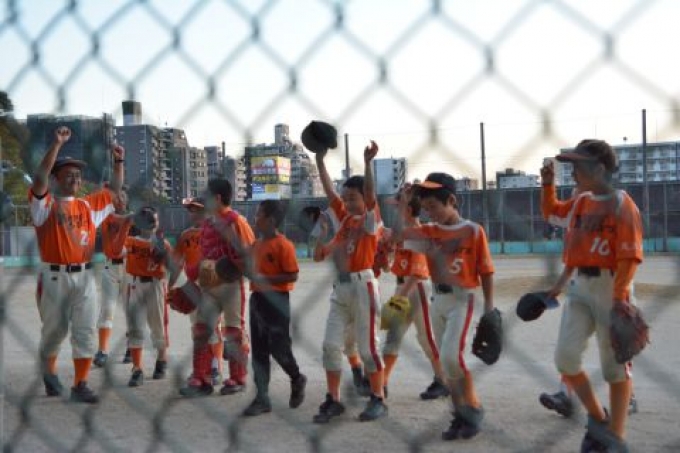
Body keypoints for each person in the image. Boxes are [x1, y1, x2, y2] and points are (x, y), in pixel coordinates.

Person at [540, 140, 643, 452]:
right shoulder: (581, 202)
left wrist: (619, 299)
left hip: (611, 288)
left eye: (578, 166)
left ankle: (616, 435)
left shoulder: (622, 204)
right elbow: (552, 214)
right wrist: (547, 185)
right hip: (580, 288)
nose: (572, 172)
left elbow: (629, 258)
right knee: (565, 357)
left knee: (614, 368)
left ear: (598, 169)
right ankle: (598, 419)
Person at [396, 172, 495, 441]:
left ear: (451, 200)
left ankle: (472, 407)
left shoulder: (473, 230)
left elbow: (486, 271)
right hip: (437, 300)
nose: (429, 213)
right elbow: (400, 234)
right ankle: (459, 413)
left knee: (452, 357)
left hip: (462, 299)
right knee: (447, 361)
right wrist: (405, 204)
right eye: (425, 208)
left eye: (433, 207)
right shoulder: (430, 231)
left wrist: (489, 307)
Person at [30, 126, 124, 403]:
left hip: (84, 277)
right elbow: (39, 178)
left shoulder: (86, 206)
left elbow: (114, 190)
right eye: (68, 173)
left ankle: (80, 384)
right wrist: (57, 144)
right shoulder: (44, 206)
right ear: (55, 178)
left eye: (78, 174)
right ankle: (50, 376)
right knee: (54, 332)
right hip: (54, 277)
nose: (75, 178)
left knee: (85, 332)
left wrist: (119, 161)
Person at [312, 140, 387, 423]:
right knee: (331, 345)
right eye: (346, 199)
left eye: (353, 198)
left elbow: (370, 195)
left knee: (368, 347)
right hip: (341, 288)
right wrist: (320, 161)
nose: (347, 203)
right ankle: (333, 399)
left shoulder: (370, 221)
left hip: (363, 285)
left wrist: (367, 164)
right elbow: (330, 192)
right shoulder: (345, 221)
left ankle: (378, 398)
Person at [179, 179, 255, 397]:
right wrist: (190, 278)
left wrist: (238, 265)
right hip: (208, 285)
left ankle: (238, 377)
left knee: (233, 330)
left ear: (218, 198)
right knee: (201, 330)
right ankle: (201, 378)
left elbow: (251, 254)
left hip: (231, 285)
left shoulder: (236, 221)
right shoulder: (208, 223)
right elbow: (204, 255)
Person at [241, 199, 307, 416]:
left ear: (270, 220)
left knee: (279, 348)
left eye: (259, 214)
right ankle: (262, 398)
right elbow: (249, 270)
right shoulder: (255, 245)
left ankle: (296, 377)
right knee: (259, 350)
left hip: (277, 300)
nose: (255, 218)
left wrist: (265, 279)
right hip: (257, 300)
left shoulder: (283, 245)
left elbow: (292, 274)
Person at [382, 189, 448, 400]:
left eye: (399, 207)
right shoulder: (403, 233)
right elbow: (393, 262)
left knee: (425, 337)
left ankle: (442, 380)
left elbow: (417, 272)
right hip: (402, 287)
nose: (396, 211)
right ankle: (381, 383)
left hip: (416, 289)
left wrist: (398, 298)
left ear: (408, 210)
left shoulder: (418, 232)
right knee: (393, 336)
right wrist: (387, 260)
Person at [304, 206, 371, 397]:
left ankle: (371, 380)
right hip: (341, 292)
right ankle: (357, 373)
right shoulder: (340, 239)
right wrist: (323, 233)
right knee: (345, 341)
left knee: (364, 340)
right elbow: (318, 256)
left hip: (363, 291)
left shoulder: (366, 233)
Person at [170, 197, 224, 385]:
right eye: (191, 209)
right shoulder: (185, 235)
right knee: (196, 328)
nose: (193, 213)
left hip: (211, 284)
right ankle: (202, 368)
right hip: (191, 286)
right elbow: (177, 262)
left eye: (197, 209)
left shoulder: (216, 233)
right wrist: (171, 286)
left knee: (212, 327)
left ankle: (216, 367)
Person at [124, 206, 173, 387]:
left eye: (154, 220)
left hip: (156, 285)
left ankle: (161, 359)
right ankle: (137, 369)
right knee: (135, 328)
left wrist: (163, 255)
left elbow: (173, 266)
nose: (152, 223)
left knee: (158, 326)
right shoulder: (130, 242)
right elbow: (115, 251)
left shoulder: (162, 243)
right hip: (136, 284)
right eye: (148, 219)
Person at [93, 188, 132, 368]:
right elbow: (117, 219)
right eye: (117, 197)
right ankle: (102, 350)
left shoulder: (135, 220)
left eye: (122, 197)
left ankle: (132, 346)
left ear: (127, 200)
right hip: (111, 267)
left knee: (130, 310)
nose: (119, 200)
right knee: (107, 309)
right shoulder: (107, 217)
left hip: (130, 267)